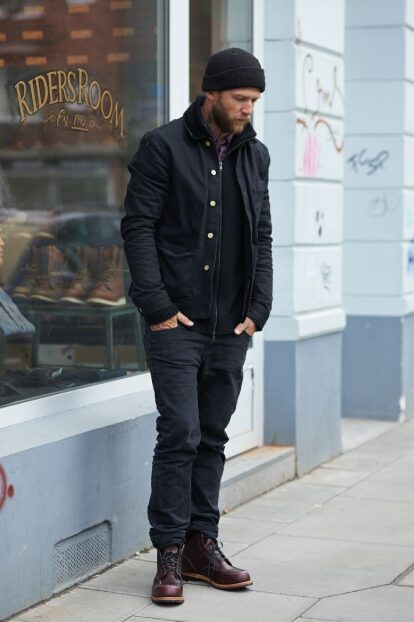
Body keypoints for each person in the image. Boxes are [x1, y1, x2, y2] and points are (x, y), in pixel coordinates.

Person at [121, 47, 272, 604]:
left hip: (232, 324)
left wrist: (259, 307)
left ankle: (201, 546)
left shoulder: (256, 156)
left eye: (255, 100)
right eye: (240, 98)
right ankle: (168, 551)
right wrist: (157, 307)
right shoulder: (162, 147)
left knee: (212, 436)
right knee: (180, 433)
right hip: (176, 322)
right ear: (211, 93)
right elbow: (138, 227)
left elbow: (262, 235)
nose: (248, 109)